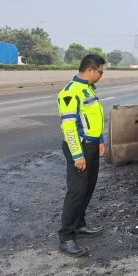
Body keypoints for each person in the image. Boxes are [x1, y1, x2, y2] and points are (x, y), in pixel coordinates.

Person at [57, 54, 106, 257]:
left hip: (92, 145)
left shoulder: (88, 89)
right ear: (91, 69)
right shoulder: (70, 92)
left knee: (88, 187)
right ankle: (66, 237)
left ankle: (79, 224)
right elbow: (69, 127)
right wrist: (78, 155)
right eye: (101, 72)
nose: (101, 76)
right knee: (76, 191)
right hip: (79, 147)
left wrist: (100, 140)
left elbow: (94, 118)